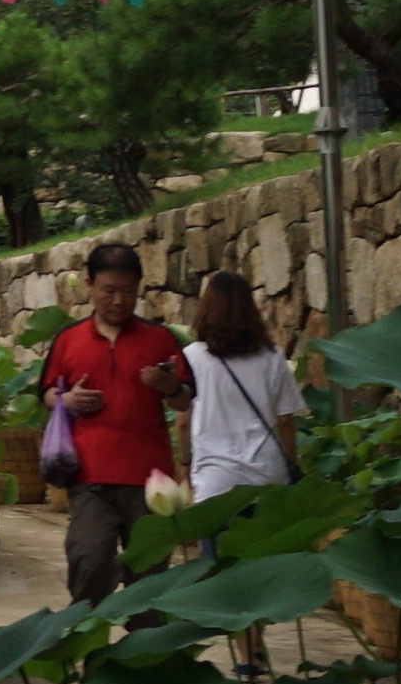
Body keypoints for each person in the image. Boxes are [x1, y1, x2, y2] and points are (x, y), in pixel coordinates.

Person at [31, 241, 188, 603]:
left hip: (149, 479)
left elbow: (185, 398)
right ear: (89, 285)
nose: (118, 301)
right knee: (89, 558)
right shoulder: (68, 339)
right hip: (89, 475)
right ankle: (89, 630)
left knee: (149, 581)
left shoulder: (160, 339)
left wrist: (170, 386)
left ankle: (144, 638)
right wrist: (66, 400)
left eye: (128, 291)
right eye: (109, 290)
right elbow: (46, 392)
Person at [174, 272, 306, 504]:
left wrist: (185, 462)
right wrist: (292, 463)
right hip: (267, 475)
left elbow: (184, 422)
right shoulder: (272, 357)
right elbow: (285, 421)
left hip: (215, 480)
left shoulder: (190, 357)